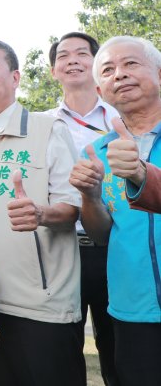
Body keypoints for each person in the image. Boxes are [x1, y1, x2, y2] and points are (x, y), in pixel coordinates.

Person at [0, 38, 84, 386]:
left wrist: (42, 215)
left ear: (15, 78)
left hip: (42, 310)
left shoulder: (47, 130)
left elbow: (73, 207)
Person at [69, 35, 161, 386]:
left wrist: (141, 173)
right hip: (131, 307)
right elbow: (102, 234)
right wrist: (90, 196)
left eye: (131, 64)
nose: (119, 74)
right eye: (108, 70)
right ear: (100, 88)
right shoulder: (97, 152)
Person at [46, 32, 119, 385]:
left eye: (81, 53)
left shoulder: (121, 119)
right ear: (53, 70)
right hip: (62, 248)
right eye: (63, 55)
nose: (72, 59)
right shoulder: (41, 124)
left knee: (119, 347)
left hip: (114, 248)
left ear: (97, 64)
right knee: (61, 348)